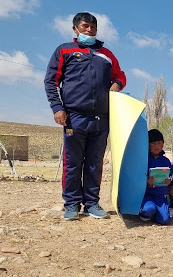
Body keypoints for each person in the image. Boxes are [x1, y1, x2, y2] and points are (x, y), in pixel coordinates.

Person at [44, 12, 126, 221]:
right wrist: (57, 107)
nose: (89, 30)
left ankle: (91, 203)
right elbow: (51, 80)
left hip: (101, 118)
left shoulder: (106, 54)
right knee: (73, 162)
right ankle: (71, 204)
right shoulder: (64, 50)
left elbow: (120, 75)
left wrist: (117, 84)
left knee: (94, 163)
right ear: (75, 29)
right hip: (74, 117)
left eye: (93, 27)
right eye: (85, 26)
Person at [140, 129, 172, 225]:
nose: (156, 146)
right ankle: (145, 213)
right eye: (153, 143)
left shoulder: (166, 161)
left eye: (159, 143)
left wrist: (169, 181)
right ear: (147, 144)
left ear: (163, 144)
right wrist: (146, 182)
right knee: (148, 209)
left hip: (160, 196)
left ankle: (156, 213)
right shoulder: (143, 160)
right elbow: (136, 177)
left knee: (165, 220)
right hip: (146, 195)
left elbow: (171, 174)